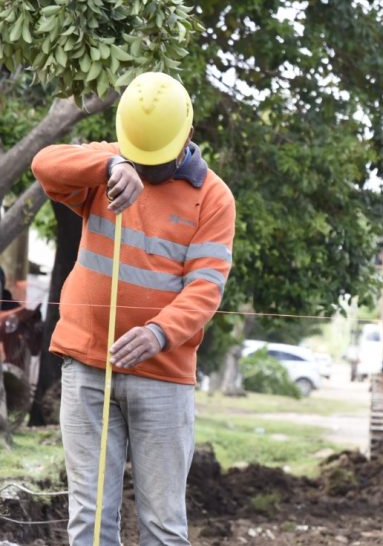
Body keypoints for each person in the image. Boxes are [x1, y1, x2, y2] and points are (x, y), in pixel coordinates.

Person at [31, 72, 236, 545]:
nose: (146, 169)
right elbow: (45, 164)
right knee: (90, 520)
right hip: (87, 368)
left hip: (162, 377)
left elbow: (205, 288)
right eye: (139, 157)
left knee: (162, 525)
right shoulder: (111, 168)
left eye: (155, 160)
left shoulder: (213, 198)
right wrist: (108, 165)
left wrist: (158, 333)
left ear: (187, 136)